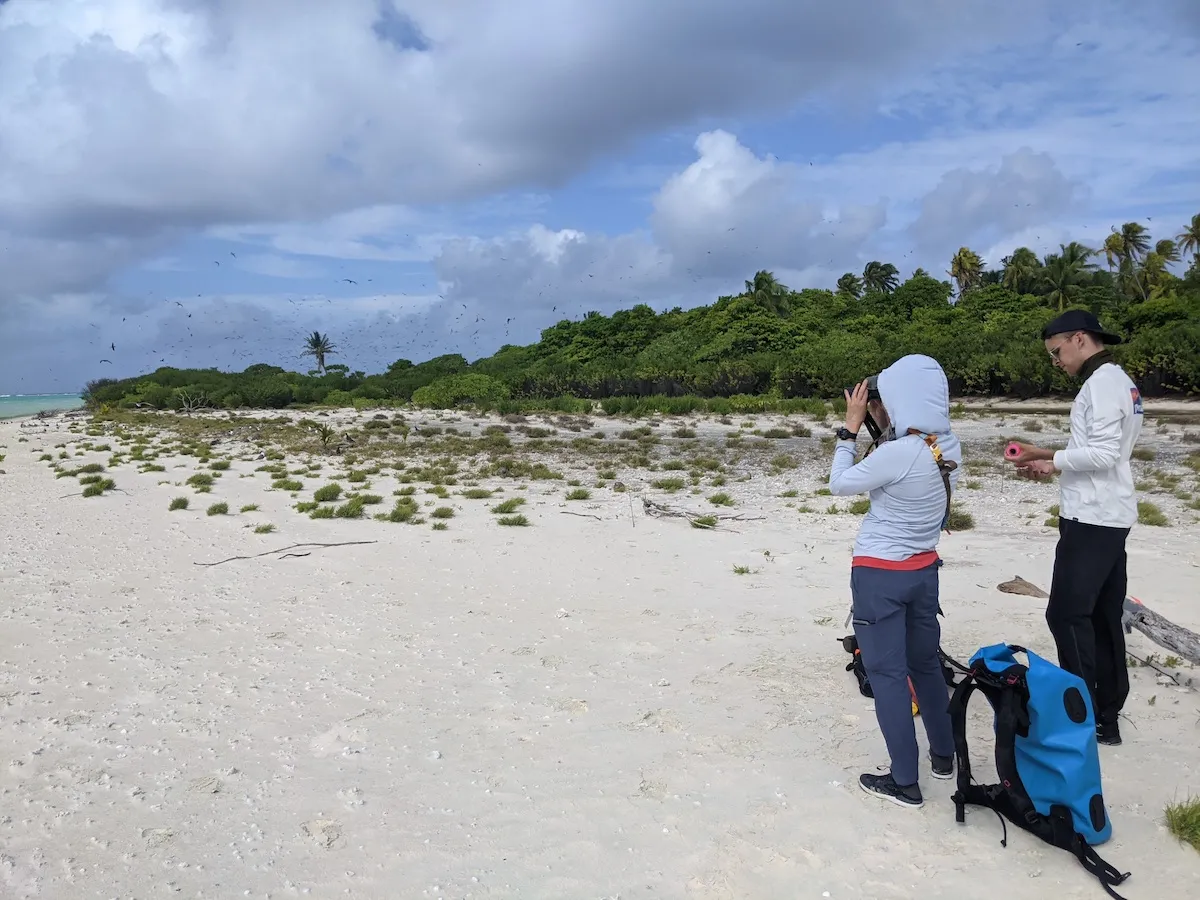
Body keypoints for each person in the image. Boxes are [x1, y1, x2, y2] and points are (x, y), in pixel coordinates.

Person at [829, 353, 961, 808]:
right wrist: (883, 419)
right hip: (924, 572)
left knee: (887, 676)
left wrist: (850, 428)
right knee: (924, 665)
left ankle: (905, 782)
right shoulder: (945, 445)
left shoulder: (900, 453)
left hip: (880, 575)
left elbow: (839, 482)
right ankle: (944, 756)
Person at [1007, 310, 1143, 746]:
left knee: (1065, 614)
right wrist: (1044, 455)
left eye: (1057, 352)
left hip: (1092, 518)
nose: (1057, 362)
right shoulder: (1120, 380)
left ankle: (1079, 713)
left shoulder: (1100, 385)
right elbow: (1105, 451)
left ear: (1080, 339)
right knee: (1102, 616)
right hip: (1110, 514)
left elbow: (1102, 454)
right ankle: (1107, 715)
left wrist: (1056, 460)